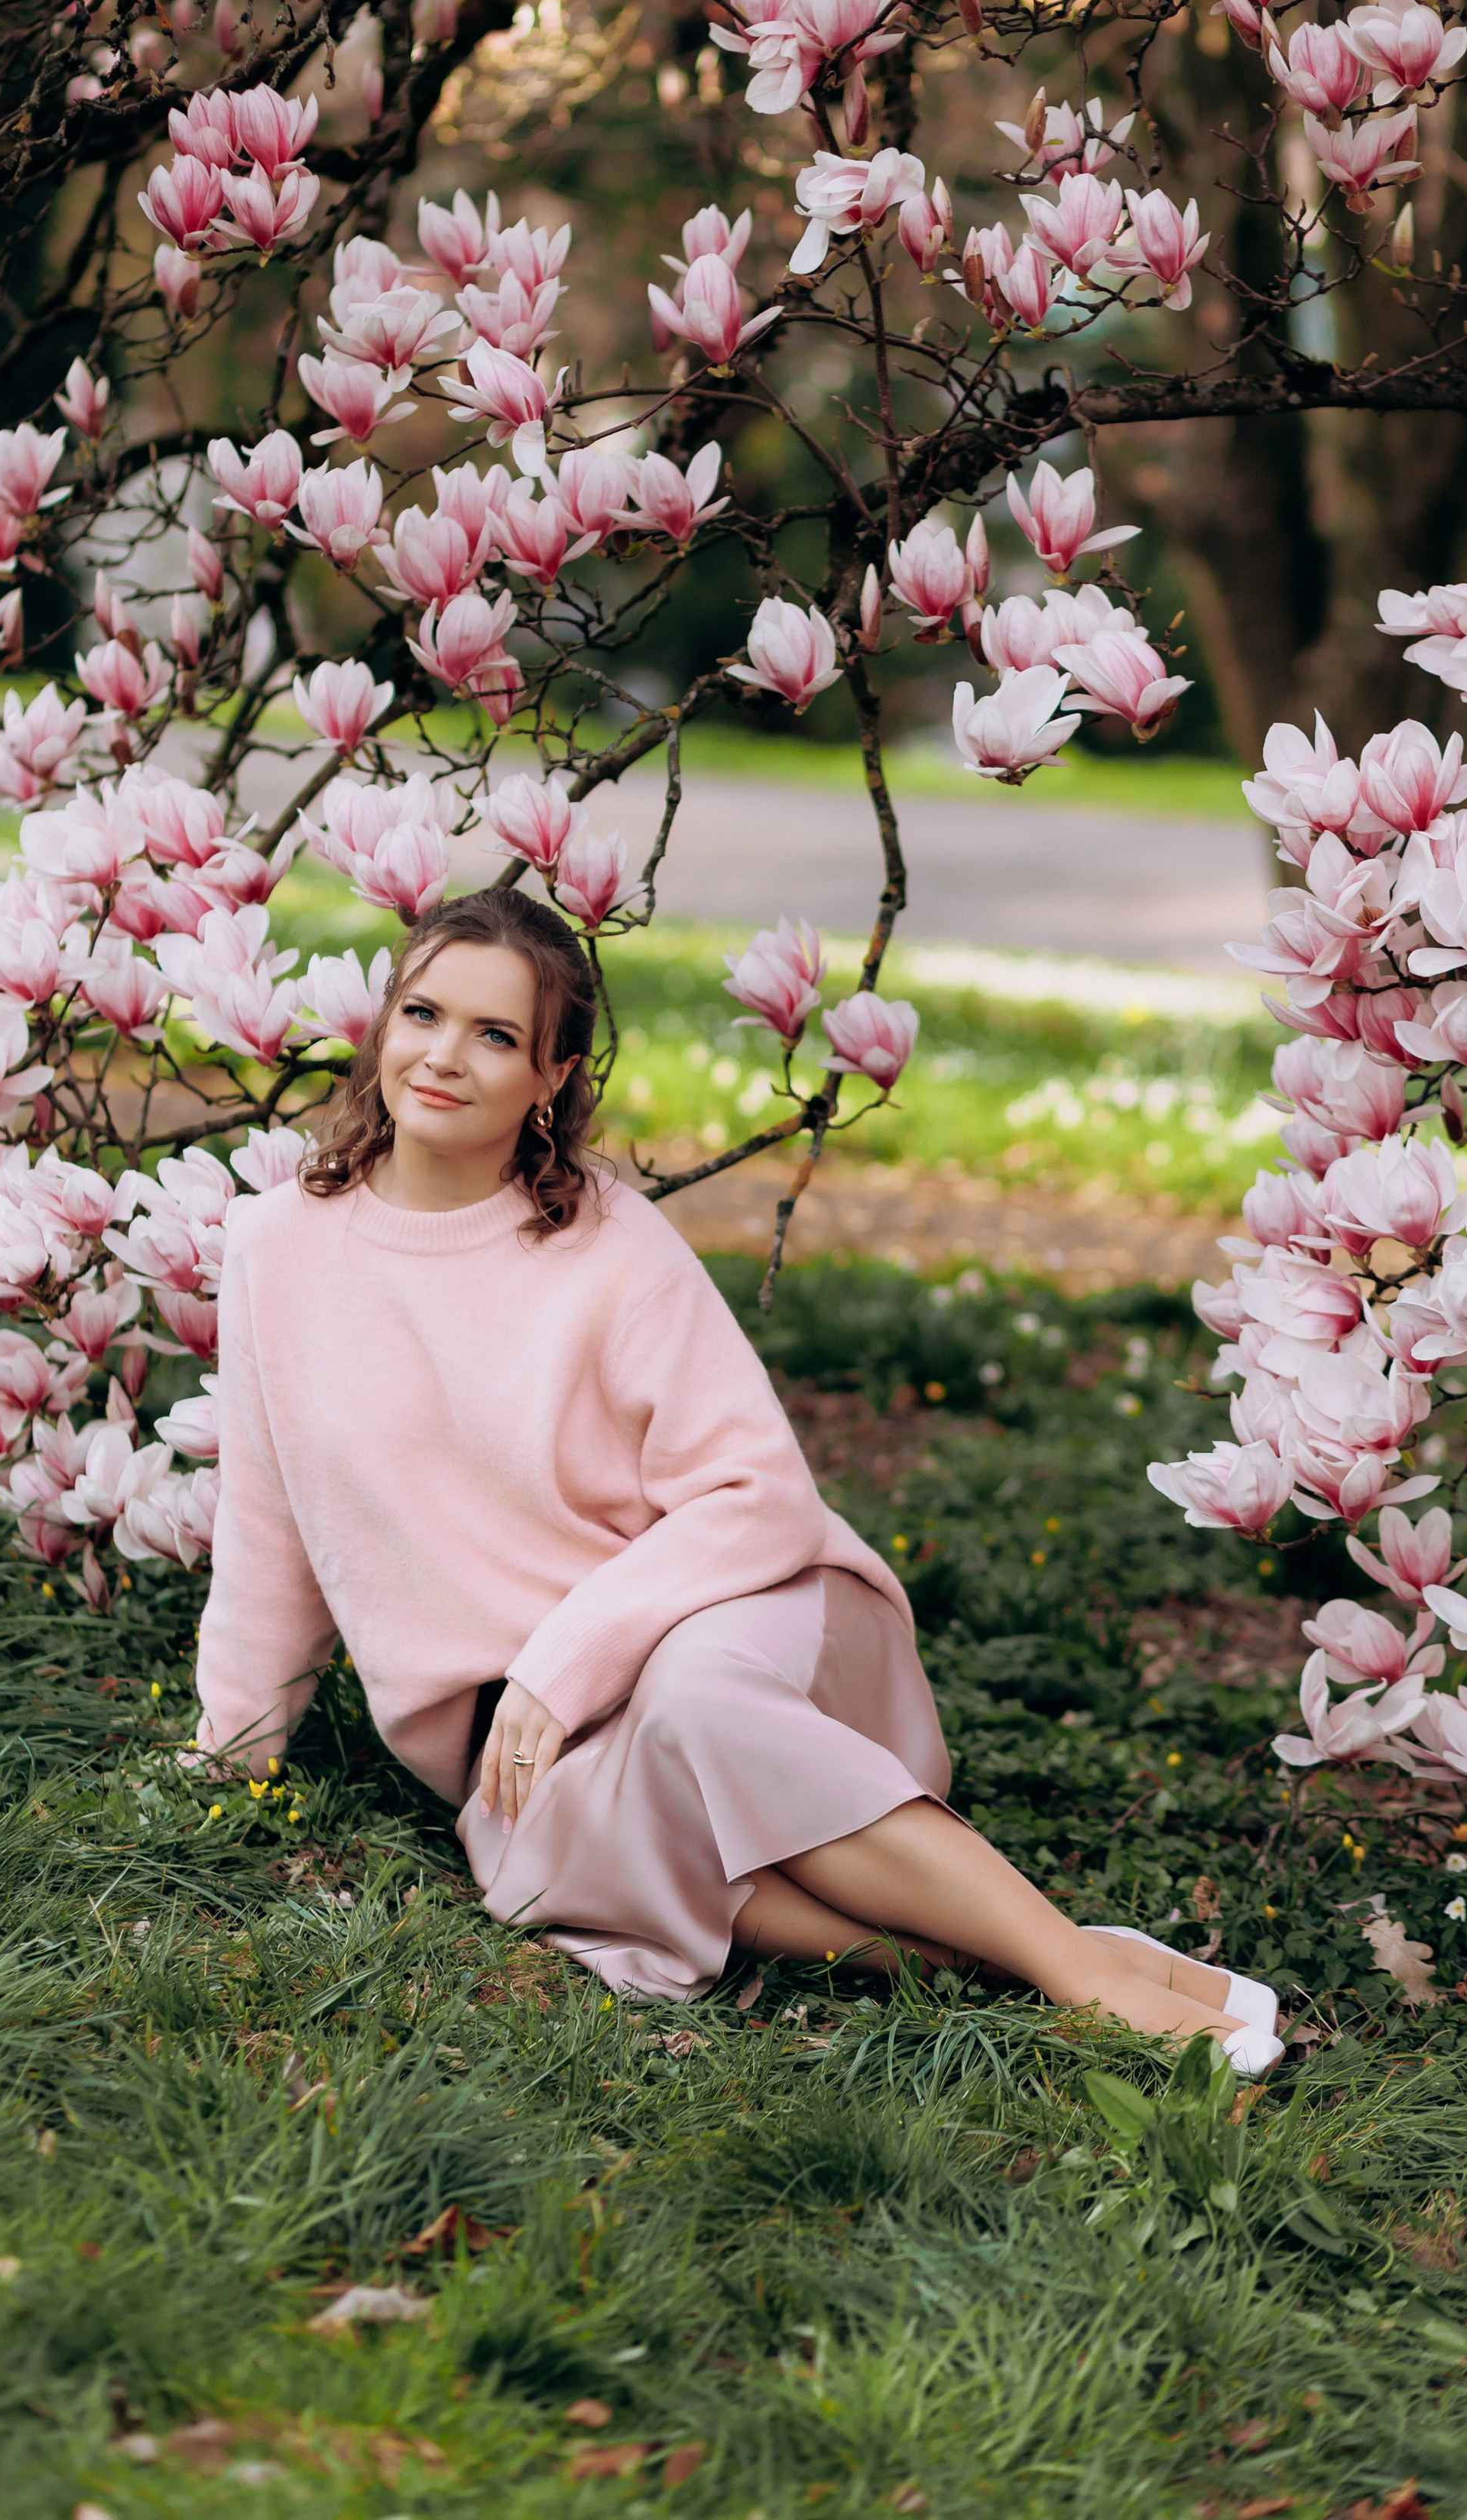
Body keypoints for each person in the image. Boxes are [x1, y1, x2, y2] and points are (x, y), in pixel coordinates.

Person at [193, 885, 1280, 2069]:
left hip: (730, 1620)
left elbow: (761, 1496)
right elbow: (269, 1528)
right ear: (384, 1025)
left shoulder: (609, 1246)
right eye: (423, 1014)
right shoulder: (275, 1250)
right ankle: (1042, 1958)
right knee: (568, 1853)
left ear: (552, 1077)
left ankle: (1084, 1986)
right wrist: (229, 1759)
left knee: (696, 1704)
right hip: (528, 1736)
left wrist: (569, 1659)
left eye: (495, 1035)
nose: (444, 1057)